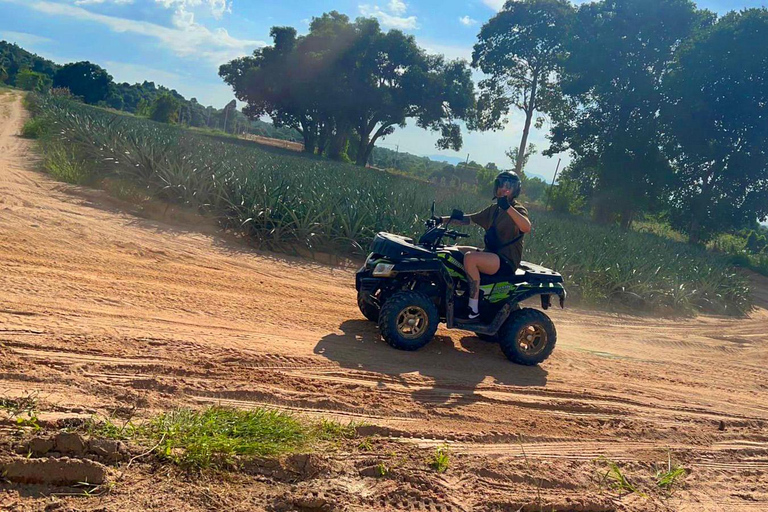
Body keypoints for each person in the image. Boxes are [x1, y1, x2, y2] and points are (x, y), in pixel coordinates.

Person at [436, 171, 531, 320]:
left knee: (470, 258)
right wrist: (442, 220)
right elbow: (470, 219)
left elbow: (526, 227)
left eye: (509, 186)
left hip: (506, 260)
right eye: (501, 184)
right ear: (496, 187)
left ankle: (473, 308)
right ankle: (454, 292)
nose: (504, 188)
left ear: (515, 190)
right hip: (491, 254)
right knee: (451, 251)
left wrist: (508, 208)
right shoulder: (494, 209)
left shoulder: (517, 209)